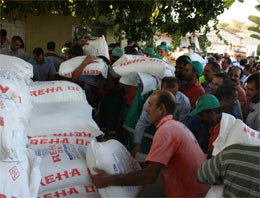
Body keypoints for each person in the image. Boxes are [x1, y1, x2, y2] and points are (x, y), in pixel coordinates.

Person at [91, 91, 210, 197]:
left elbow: (150, 175)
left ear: (161, 109)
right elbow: (152, 165)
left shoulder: (166, 131)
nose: (147, 109)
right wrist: (120, 168)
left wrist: (110, 180)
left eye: (151, 105)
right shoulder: (175, 126)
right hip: (198, 190)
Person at [132, 77, 191, 156]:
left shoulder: (185, 102)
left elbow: (181, 127)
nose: (171, 98)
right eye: (167, 94)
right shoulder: (152, 100)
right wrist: (137, 145)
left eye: (174, 94)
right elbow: (142, 123)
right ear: (161, 90)